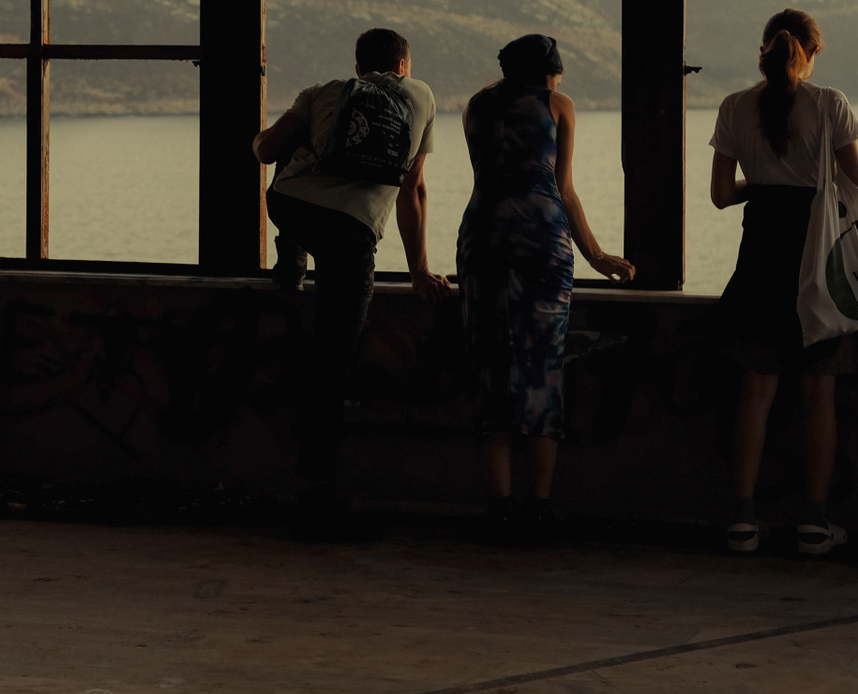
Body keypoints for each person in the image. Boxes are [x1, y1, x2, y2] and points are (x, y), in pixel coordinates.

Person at [253, 27, 450, 535]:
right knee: (335, 361)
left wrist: (261, 140)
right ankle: (317, 493)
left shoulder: (322, 92)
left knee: (291, 163)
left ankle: (291, 258)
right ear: (403, 66)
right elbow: (413, 189)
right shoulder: (421, 96)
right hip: (351, 233)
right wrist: (419, 270)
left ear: (358, 67)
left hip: (292, 206)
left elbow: (267, 150)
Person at [457, 35, 632, 542]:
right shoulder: (558, 106)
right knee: (542, 368)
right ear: (548, 73)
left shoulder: (475, 107)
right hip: (540, 243)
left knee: (490, 367)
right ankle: (538, 507)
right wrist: (597, 256)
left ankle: (499, 508)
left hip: (482, 239)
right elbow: (564, 188)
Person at [709, 8, 858, 556]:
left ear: (765, 48)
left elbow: (721, 196)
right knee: (819, 393)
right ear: (813, 52)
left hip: (759, 259)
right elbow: (857, 187)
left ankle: (743, 522)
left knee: (756, 392)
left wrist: (763, 185)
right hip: (815, 261)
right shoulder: (830, 104)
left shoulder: (734, 106)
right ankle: (815, 524)